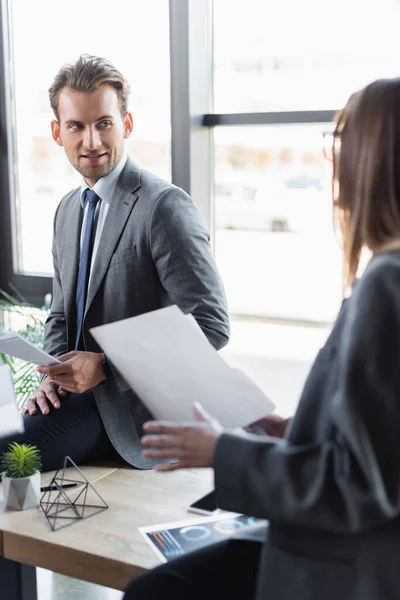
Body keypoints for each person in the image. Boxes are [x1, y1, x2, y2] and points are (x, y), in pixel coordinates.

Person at [124, 77, 400, 600]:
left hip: (348, 564)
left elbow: (358, 487)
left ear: (373, 159)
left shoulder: (387, 285)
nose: (332, 160)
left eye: (340, 142)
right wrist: (289, 429)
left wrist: (220, 451)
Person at [0, 54, 229, 472]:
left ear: (125, 124)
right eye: (77, 126)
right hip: (79, 401)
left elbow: (211, 325)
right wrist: (53, 378)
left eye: (103, 123)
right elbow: (59, 315)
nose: (91, 141)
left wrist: (105, 367)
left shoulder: (164, 206)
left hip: (136, 414)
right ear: (57, 132)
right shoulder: (68, 210)